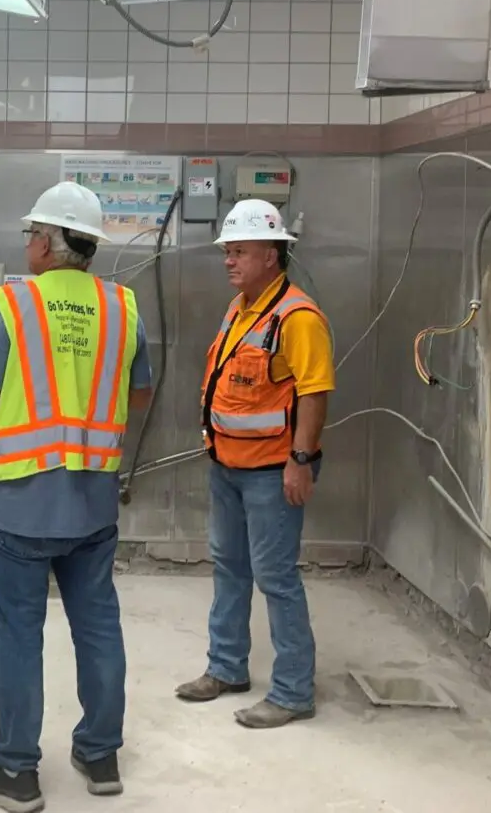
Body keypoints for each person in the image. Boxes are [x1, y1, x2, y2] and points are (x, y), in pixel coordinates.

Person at [0, 181, 154, 813]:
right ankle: (99, 755)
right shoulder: (124, 306)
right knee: (97, 625)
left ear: (45, 242)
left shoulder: (13, 304)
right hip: (92, 497)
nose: (28, 246)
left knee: (19, 630)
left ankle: (15, 770)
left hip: (18, 497)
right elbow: (139, 393)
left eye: (31, 236)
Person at [174, 198, 335, 730]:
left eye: (239, 251)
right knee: (230, 569)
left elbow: (314, 394)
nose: (229, 260)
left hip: (272, 472)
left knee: (276, 577)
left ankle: (292, 691)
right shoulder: (241, 307)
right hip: (227, 466)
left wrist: (301, 460)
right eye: (228, 251)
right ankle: (226, 668)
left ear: (272, 254)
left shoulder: (298, 317)